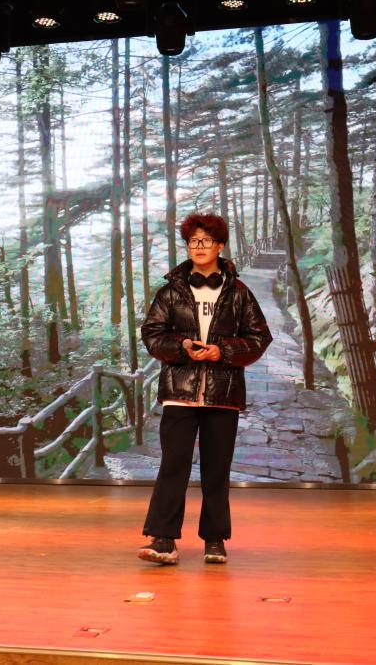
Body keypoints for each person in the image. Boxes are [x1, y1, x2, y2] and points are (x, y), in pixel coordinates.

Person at [137, 213, 272, 565]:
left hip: (223, 394)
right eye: (193, 241)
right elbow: (152, 334)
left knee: (217, 469)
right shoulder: (170, 291)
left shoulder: (239, 293)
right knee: (173, 465)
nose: (199, 247)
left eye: (206, 241)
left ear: (220, 246)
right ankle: (163, 539)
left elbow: (259, 337)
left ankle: (215, 539)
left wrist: (221, 351)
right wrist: (182, 346)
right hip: (179, 392)